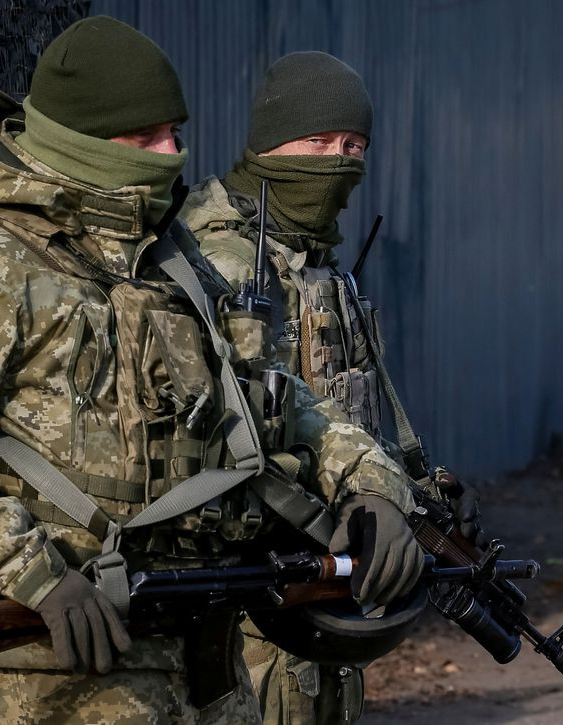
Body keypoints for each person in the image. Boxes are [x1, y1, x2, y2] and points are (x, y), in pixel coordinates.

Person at [0, 23, 424, 724]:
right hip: (71, 656)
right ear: (81, 138)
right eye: (147, 139)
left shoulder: (168, 258)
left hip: (206, 647)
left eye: (174, 132)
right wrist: (29, 572)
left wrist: (369, 483)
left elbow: (268, 393)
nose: (173, 154)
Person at [180, 51, 482, 724]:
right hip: (247, 589)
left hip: (328, 578)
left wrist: (412, 489)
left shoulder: (317, 267)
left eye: (353, 146)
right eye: (317, 141)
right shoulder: (214, 260)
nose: (337, 161)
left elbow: (355, 406)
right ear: (268, 141)